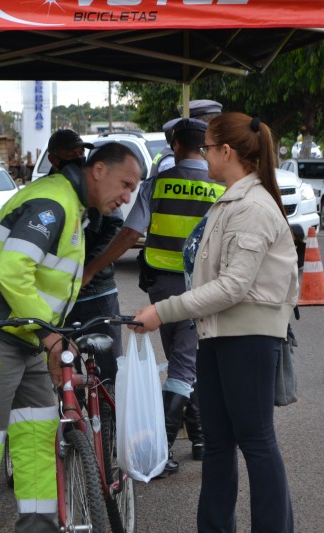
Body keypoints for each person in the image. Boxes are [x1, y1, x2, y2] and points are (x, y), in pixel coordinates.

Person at [0, 142, 142, 533]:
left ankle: (38, 526)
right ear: (98, 169)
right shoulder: (53, 205)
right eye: (125, 183)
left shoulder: (71, 206)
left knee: (37, 434)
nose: (127, 197)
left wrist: (48, 336)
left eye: (133, 189)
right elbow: (11, 270)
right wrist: (52, 337)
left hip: (23, 334)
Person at [131, 112, 297, 533]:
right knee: (219, 444)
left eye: (207, 147)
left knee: (256, 442)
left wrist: (163, 311)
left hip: (249, 338)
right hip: (217, 334)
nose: (203, 155)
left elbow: (233, 286)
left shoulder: (254, 206)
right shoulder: (229, 199)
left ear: (227, 151)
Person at [85, 116, 224, 476]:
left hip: (162, 287)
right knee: (185, 362)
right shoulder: (219, 185)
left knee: (183, 360)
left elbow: (130, 234)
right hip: (200, 287)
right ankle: (160, 450)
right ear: (203, 145)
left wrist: (92, 267)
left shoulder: (157, 184)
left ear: (177, 145)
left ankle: (197, 441)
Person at [45, 129, 124, 385]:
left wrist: (91, 266)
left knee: (109, 366)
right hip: (58, 296)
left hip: (98, 290)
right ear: (54, 160)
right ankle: (72, 422)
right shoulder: (45, 193)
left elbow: (115, 229)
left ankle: (110, 418)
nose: (80, 158)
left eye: (82, 152)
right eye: (72, 154)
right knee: (65, 367)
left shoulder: (96, 185)